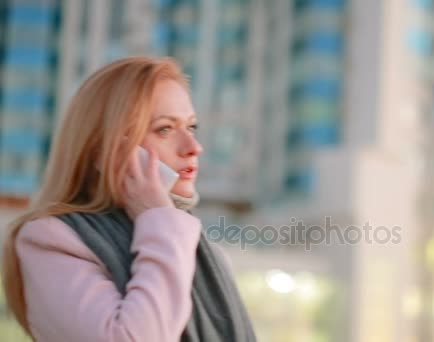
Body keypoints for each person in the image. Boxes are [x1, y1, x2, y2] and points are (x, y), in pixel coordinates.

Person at [1, 56, 257, 341]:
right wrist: (157, 216)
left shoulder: (199, 250)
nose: (193, 147)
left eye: (191, 127)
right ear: (105, 150)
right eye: (165, 129)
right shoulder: (51, 239)